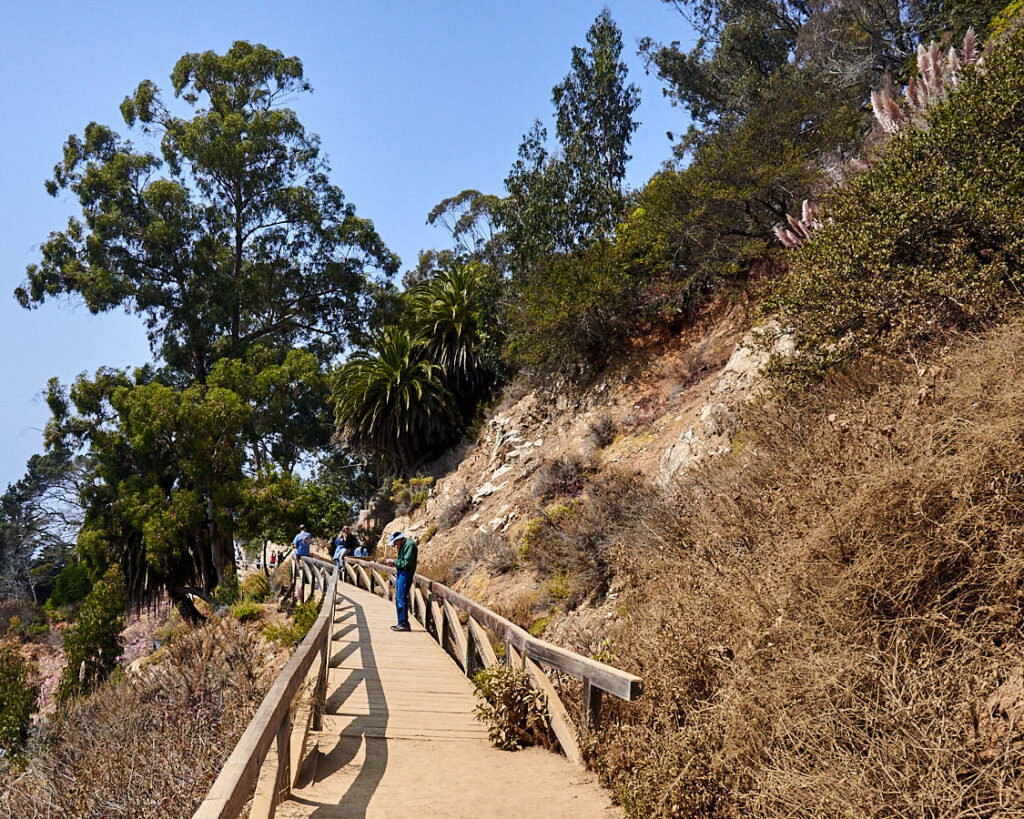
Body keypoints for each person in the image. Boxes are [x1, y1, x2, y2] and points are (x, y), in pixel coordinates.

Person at [385, 531, 417, 632]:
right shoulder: (404, 545)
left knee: (401, 597)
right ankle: (402, 622)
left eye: (395, 542)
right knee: (399, 597)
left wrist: (393, 562)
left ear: (399, 539)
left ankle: (403, 624)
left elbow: (406, 563)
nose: (394, 545)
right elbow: (402, 560)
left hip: (406, 573)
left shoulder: (410, 545)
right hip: (402, 573)